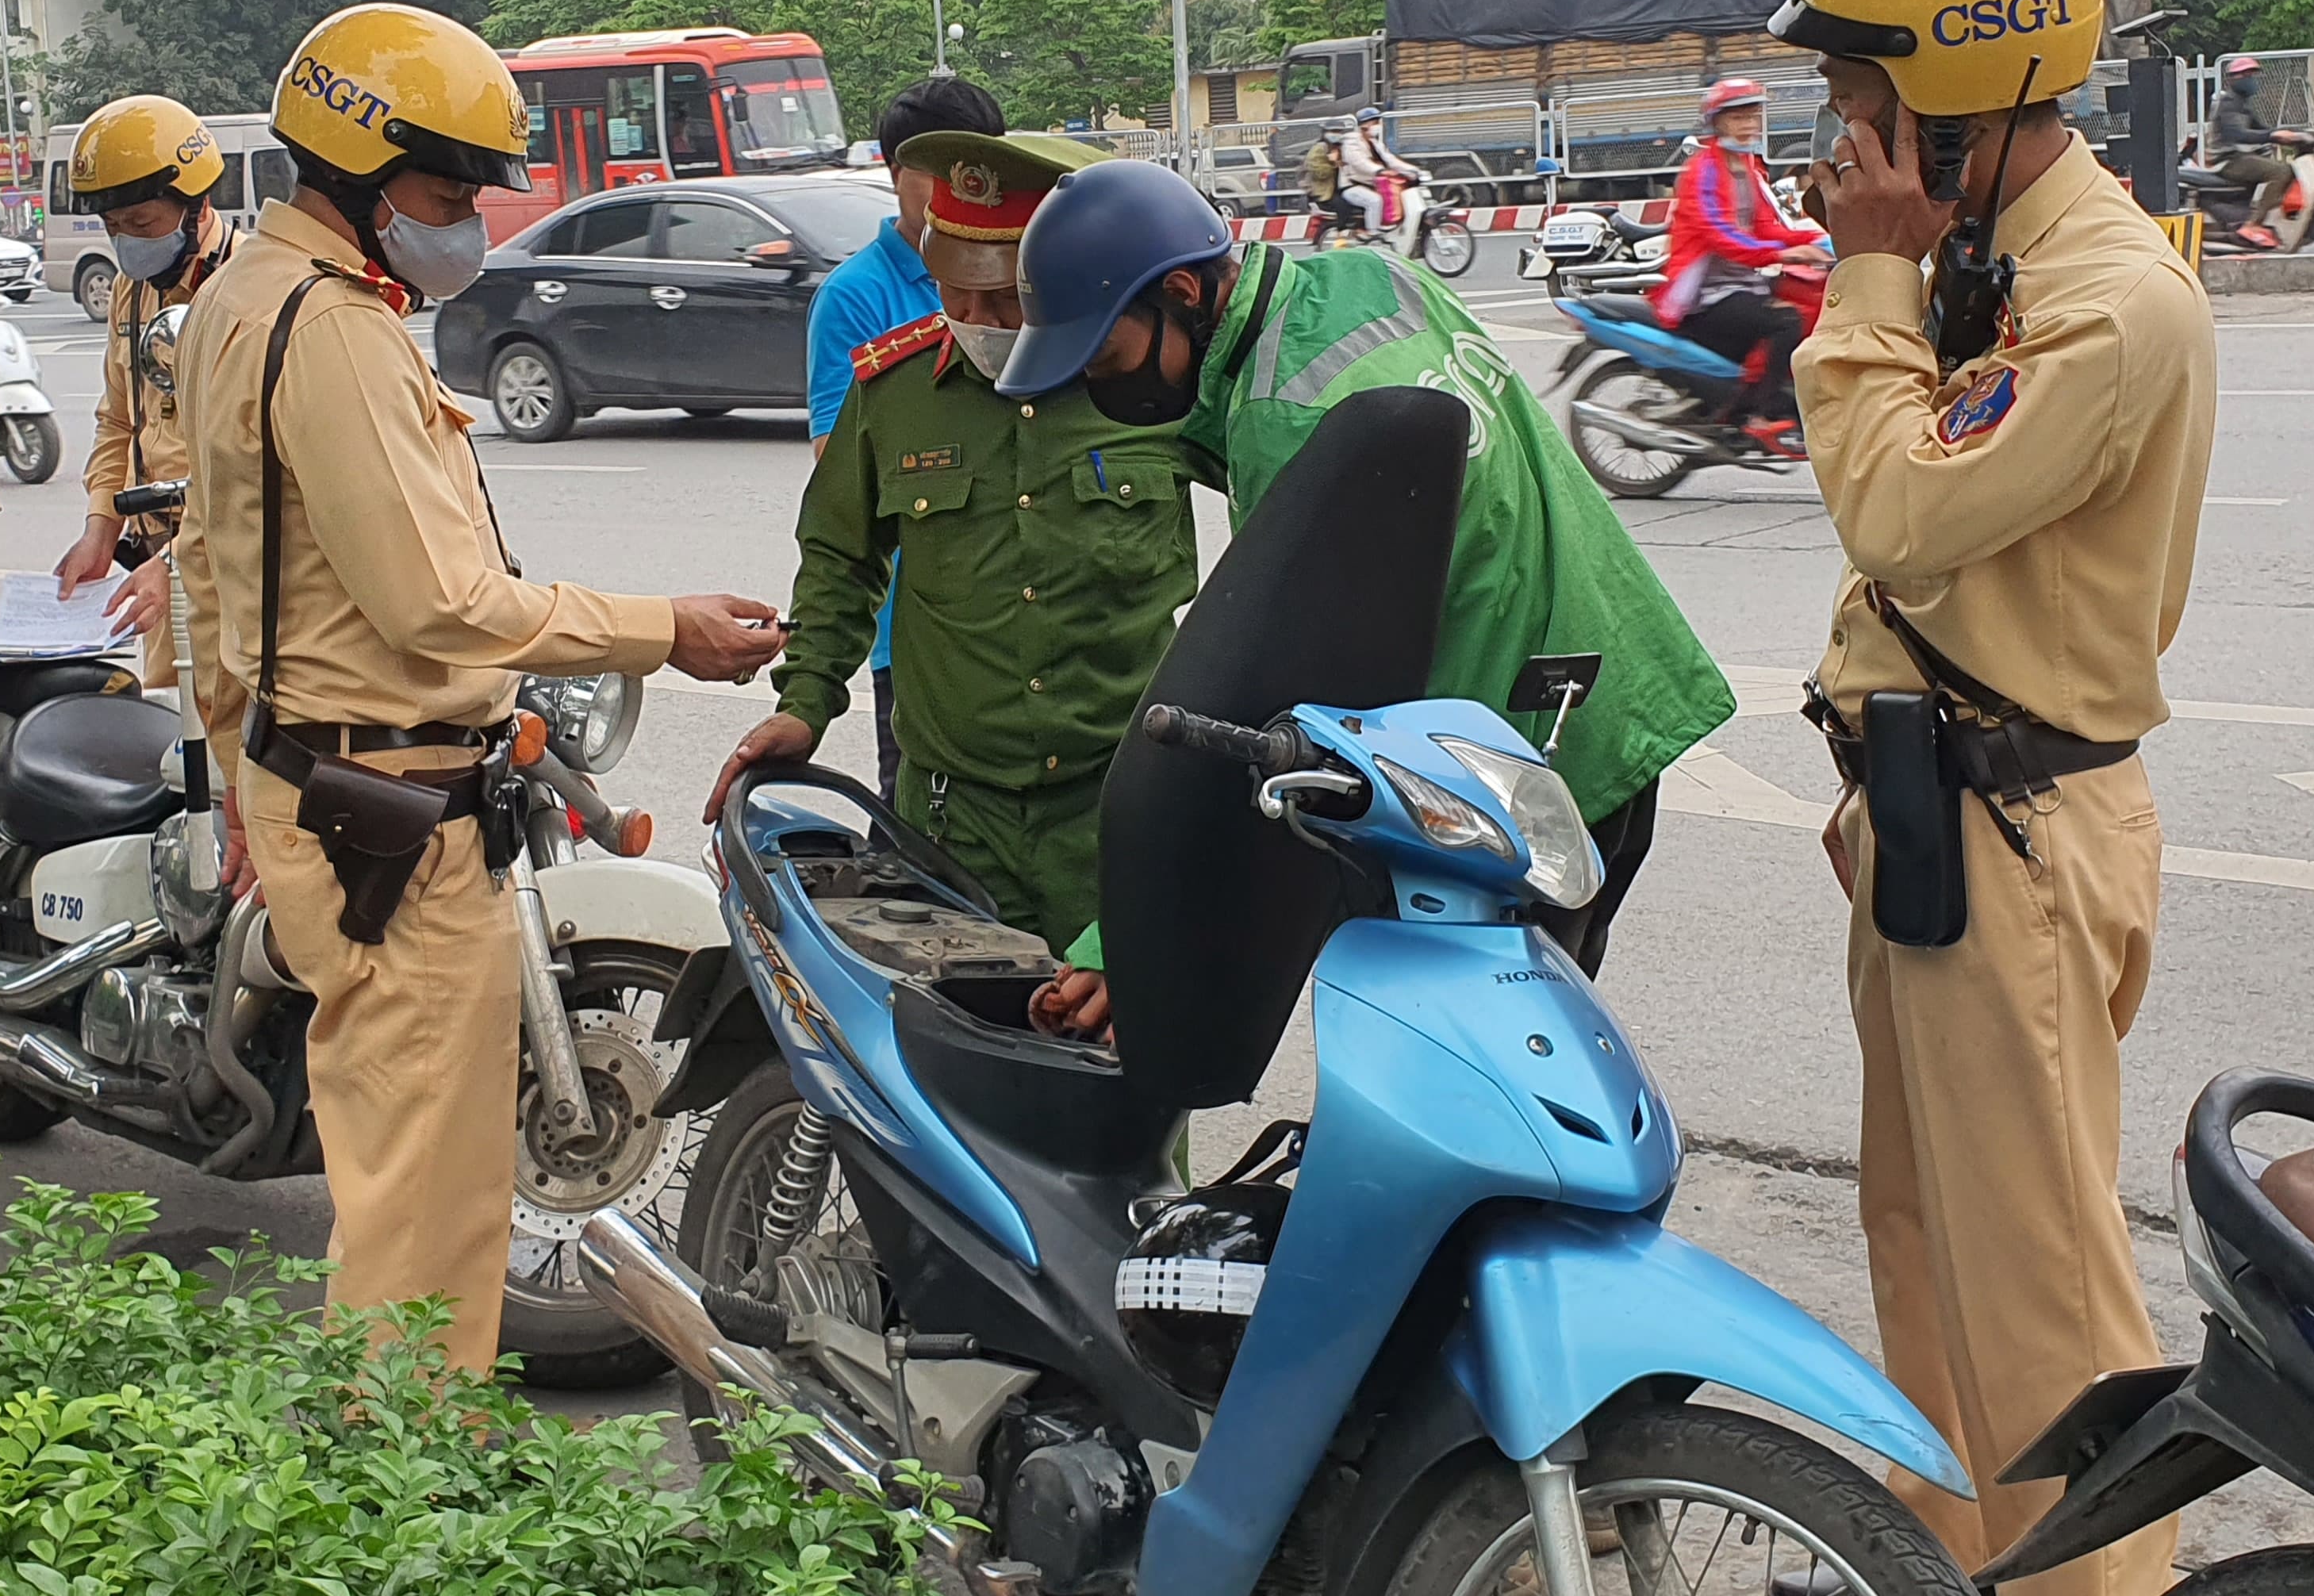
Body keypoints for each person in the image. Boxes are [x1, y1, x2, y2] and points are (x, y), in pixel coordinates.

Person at [170, 1, 781, 1370]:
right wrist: (659, 628)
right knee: (430, 1195)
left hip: (314, 782)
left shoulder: (240, 297)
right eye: (449, 190)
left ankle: (392, 1459)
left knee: (395, 1160)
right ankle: (405, 1479)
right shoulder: (326, 328)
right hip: (386, 805)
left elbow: (209, 578)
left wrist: (240, 782)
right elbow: (436, 602)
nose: (471, 220)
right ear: (356, 169)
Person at [1771, 0, 2216, 1596]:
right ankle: (1942, 1565)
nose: (1839, 140)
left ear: (1962, 100)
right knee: (1918, 1236)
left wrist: (1867, 276)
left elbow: (1895, 504)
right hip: (1933, 817)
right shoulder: (1994, 267)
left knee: (2038, 1290)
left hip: (2014, 833)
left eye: (1864, 105)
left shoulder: (2105, 305)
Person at [1002, 160, 1733, 1002]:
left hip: (1505, 782)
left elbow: (1273, 701)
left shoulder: (1285, 420)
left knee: (1468, 1069)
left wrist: (1117, 945)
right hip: (1610, 694)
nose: (1099, 382)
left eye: (1104, 353)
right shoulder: (1370, 274)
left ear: (1182, 293)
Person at [705, 129, 1184, 956]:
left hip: (1118, 810)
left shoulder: (1150, 378)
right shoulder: (893, 393)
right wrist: (805, 702)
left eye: (1004, 300)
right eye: (954, 294)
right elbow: (840, 555)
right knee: (958, 1059)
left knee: (1131, 1060)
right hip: (954, 822)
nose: (976, 321)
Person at [800, 73, 1007, 795]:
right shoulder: (855, 297)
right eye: (941, 174)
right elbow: (842, 467)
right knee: (921, 829)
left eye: (980, 170)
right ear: (896, 175)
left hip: (1018, 620)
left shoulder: (1025, 270)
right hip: (914, 638)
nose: (964, 190)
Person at [53, 95, 236, 686]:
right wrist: (100, 530)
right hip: (156, 567)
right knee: (166, 741)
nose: (128, 245)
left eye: (142, 226)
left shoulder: (244, 290)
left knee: (225, 755)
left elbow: (260, 467)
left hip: (230, 567)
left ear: (197, 203)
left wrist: (178, 562)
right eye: (114, 230)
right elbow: (119, 421)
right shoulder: (133, 292)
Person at [1657, 75, 1829, 442]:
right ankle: (1761, 415)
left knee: (1807, 299)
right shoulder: (1702, 171)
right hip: (1703, 292)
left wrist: (1821, 239)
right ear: (1718, 123)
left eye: (1753, 116)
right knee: (1787, 321)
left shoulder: (1747, 167)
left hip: (1741, 281)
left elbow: (1767, 225)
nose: (1749, 125)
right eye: (1739, 118)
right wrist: (1782, 253)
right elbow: (1719, 235)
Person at [2205, 53, 2295, 245]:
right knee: (2280, 171)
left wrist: (2293, 134)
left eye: (2253, 75)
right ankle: (2253, 223)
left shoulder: (2243, 104)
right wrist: (2272, 136)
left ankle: (2258, 216)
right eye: (2246, 75)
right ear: (2233, 79)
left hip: (2239, 156)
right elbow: (2238, 134)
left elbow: (2261, 129)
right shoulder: (2229, 103)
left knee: (2280, 167)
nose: (2251, 80)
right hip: (2227, 160)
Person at [1334, 105, 1420, 246]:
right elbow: (1359, 162)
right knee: (1374, 201)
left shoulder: (1375, 143)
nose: (1377, 125)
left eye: (1377, 122)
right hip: (1352, 187)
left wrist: (1413, 171)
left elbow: (1391, 160)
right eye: (1374, 122)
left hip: (1371, 185)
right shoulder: (1351, 142)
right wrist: (1378, 170)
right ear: (1364, 125)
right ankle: (1373, 236)